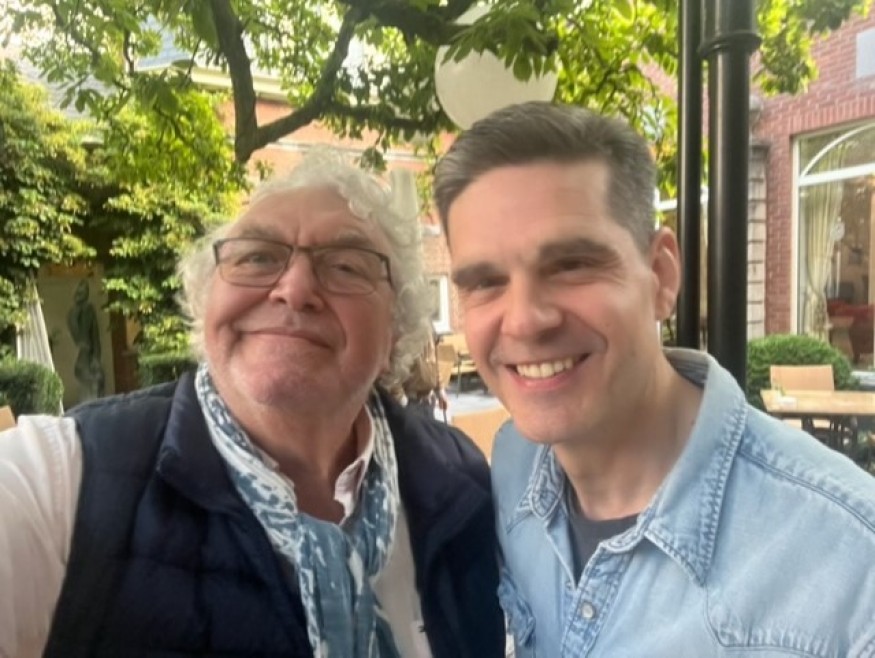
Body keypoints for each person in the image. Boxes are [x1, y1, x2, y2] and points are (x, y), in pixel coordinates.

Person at [0, 150, 504, 657]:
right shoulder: (61, 480)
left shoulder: (459, 479)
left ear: (396, 331)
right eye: (257, 257)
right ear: (206, 301)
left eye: (346, 266)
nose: (294, 288)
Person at [433, 101, 875, 657]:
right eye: (485, 282)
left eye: (570, 265)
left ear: (661, 276)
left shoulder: (853, 569)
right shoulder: (514, 465)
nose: (523, 320)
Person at [66, 278, 105, 402]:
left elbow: (94, 335)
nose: (81, 296)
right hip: (83, 356)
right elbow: (76, 333)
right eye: (79, 292)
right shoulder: (73, 313)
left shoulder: (89, 309)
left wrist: (96, 357)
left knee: (94, 384)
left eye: (84, 293)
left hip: (89, 355)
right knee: (88, 385)